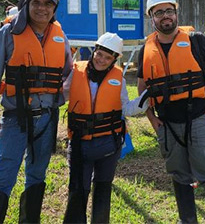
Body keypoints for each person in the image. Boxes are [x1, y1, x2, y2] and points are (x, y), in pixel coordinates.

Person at [0, 0, 73, 224]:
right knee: (4, 175)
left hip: (47, 119)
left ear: (55, 7)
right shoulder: (8, 33)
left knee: (37, 175)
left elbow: (68, 73)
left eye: (47, 3)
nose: (41, 8)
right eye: (36, 2)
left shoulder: (60, 37)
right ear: (26, 2)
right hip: (15, 118)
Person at [137, 0, 205, 224]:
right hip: (167, 124)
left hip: (200, 118)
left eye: (169, 11)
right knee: (179, 174)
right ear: (152, 17)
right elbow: (142, 87)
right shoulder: (145, 51)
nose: (165, 16)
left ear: (176, 13)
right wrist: (150, 117)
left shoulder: (196, 40)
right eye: (159, 13)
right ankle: (187, 220)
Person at [63, 32, 148, 224]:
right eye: (99, 54)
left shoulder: (119, 79)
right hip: (79, 144)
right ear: (94, 50)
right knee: (78, 190)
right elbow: (60, 95)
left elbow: (126, 108)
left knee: (103, 189)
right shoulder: (75, 72)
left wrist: (147, 99)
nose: (101, 60)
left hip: (108, 145)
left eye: (108, 57)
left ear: (114, 60)